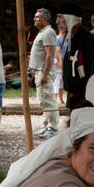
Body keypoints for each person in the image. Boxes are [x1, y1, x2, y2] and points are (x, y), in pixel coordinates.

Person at [59, 6, 94, 111]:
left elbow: (93, 72)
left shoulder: (88, 41)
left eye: (60, 17)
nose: (57, 21)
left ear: (71, 19)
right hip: (74, 97)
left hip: (85, 99)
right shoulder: (72, 39)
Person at [29, 8, 60, 138]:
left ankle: (53, 128)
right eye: (35, 17)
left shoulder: (48, 32)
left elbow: (50, 53)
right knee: (42, 99)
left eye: (37, 17)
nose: (34, 19)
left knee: (48, 99)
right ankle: (47, 125)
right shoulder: (42, 32)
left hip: (44, 71)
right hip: (39, 71)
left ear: (45, 19)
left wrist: (46, 74)